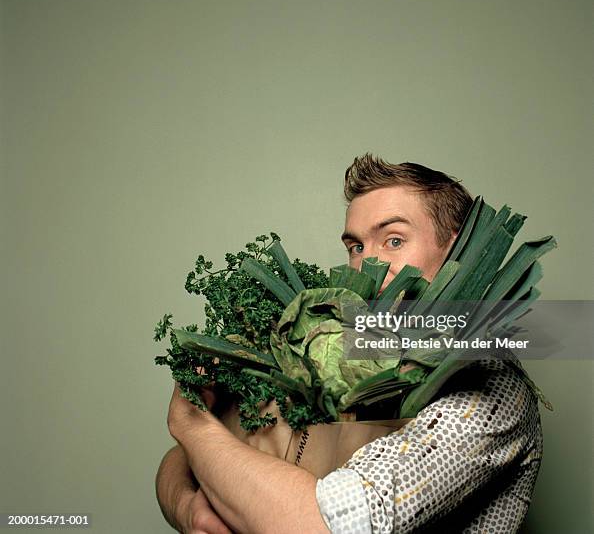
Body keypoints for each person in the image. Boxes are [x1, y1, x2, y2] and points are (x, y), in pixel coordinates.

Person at [156, 154, 543, 533]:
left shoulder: (489, 388)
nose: (366, 263)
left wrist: (189, 423)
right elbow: (184, 461)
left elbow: (322, 526)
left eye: (393, 240)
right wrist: (187, 507)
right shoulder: (336, 350)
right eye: (356, 247)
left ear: (456, 252)